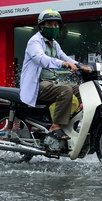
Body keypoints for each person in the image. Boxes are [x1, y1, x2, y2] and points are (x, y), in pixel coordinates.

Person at [19, 8, 88, 140]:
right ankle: (55, 127)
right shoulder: (34, 41)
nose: (53, 27)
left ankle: (68, 122)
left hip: (51, 83)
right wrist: (61, 64)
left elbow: (65, 57)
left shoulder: (54, 43)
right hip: (37, 84)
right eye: (49, 24)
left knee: (80, 89)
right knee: (66, 90)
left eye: (56, 25)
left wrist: (81, 66)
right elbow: (41, 58)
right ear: (41, 26)